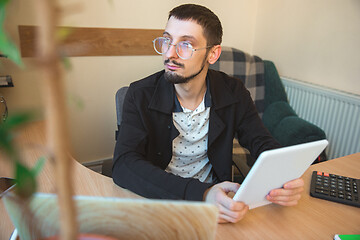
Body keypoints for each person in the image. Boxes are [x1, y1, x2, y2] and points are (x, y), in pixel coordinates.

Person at [112, 4, 304, 223]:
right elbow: (124, 164)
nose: (170, 53)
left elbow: (260, 141)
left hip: (216, 204)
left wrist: (284, 176)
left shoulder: (233, 91)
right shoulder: (140, 94)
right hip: (162, 199)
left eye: (185, 44)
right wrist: (201, 194)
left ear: (213, 54)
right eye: (167, 40)